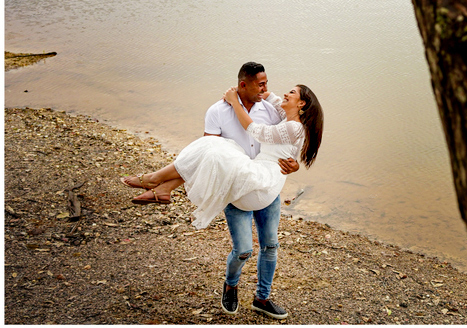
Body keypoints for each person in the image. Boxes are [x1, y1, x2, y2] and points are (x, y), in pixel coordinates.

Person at [120, 62, 324, 319]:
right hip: (236, 182)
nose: (269, 90)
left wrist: (293, 165)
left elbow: (272, 136)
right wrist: (234, 101)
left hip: (264, 183)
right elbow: (205, 153)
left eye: (289, 92)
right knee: (243, 249)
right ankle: (231, 286)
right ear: (243, 84)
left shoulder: (276, 115)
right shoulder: (220, 111)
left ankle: (262, 299)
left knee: (270, 245)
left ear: (302, 104)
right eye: (261, 84)